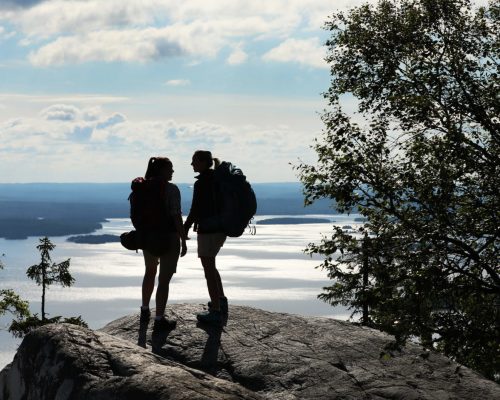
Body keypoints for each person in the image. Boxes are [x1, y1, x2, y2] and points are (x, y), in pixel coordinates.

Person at [139, 157, 187, 332]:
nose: (173, 172)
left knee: (149, 272)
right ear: (162, 171)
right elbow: (176, 216)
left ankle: (145, 310)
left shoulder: (144, 187)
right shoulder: (172, 189)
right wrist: (183, 239)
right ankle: (159, 319)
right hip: (168, 238)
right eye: (170, 169)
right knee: (164, 280)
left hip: (149, 238)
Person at [184, 150, 227, 325]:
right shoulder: (217, 178)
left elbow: (195, 208)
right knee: (212, 264)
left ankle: (216, 310)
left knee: (208, 269)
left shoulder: (203, 182)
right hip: (220, 228)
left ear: (202, 162)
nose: (191, 164)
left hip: (208, 229)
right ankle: (221, 300)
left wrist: (185, 228)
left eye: (194, 161)